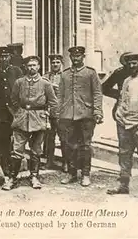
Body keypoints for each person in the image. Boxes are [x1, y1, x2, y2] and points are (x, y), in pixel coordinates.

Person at [2, 56, 58, 190]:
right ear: (26, 67)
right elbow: (13, 100)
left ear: (39, 67)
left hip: (39, 119)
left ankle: (34, 177)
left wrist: (47, 115)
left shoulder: (45, 83)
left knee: (36, 151)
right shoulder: (19, 82)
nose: (32, 68)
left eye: (34, 65)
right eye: (29, 65)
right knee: (17, 151)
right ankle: (12, 178)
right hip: (21, 120)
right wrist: (18, 114)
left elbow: (53, 102)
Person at [107, 53, 138, 201]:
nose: (132, 66)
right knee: (124, 155)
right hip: (124, 125)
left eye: (135, 63)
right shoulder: (127, 80)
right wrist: (119, 117)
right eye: (129, 64)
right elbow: (122, 101)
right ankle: (123, 186)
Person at [58, 46, 103, 187]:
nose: (75, 58)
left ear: (83, 57)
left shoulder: (90, 73)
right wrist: (59, 113)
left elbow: (97, 93)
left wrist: (97, 112)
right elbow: (60, 95)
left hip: (86, 115)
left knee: (85, 146)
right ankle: (72, 173)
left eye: (78, 56)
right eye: (73, 56)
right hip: (68, 116)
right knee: (70, 146)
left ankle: (85, 174)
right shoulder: (64, 74)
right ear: (70, 57)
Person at [0, 46, 23, 176]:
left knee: (16, 140)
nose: (4, 59)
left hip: (15, 111)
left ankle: (14, 166)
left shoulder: (17, 71)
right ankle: (4, 166)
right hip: (0, 111)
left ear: (10, 57)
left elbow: (22, 89)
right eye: (2, 57)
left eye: (6, 56)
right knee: (2, 139)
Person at [102, 52, 138, 119]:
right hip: (122, 108)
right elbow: (104, 88)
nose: (131, 66)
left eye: (134, 63)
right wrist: (120, 94)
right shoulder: (119, 72)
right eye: (128, 63)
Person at [42, 53, 67, 171]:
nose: (55, 64)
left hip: (62, 112)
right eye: (53, 62)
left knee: (64, 138)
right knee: (49, 138)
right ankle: (49, 161)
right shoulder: (45, 77)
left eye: (57, 62)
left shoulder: (65, 76)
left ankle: (66, 162)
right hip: (49, 112)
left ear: (61, 64)